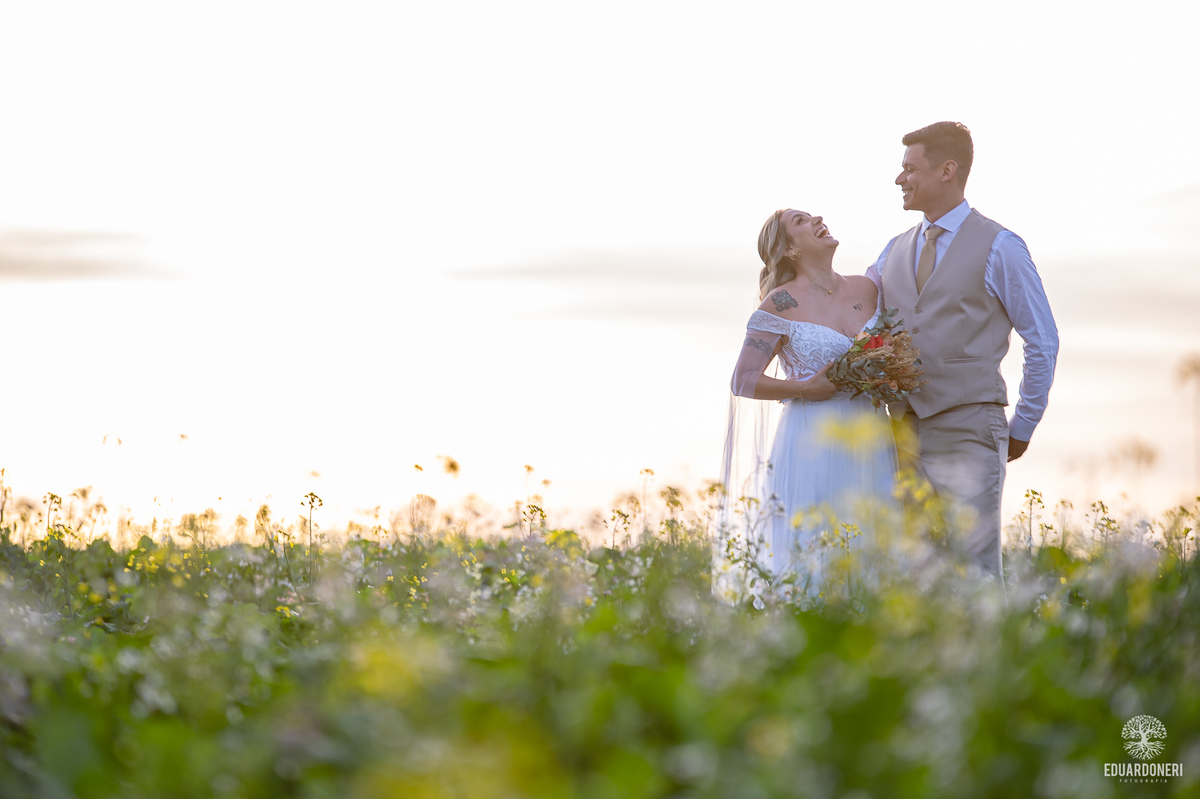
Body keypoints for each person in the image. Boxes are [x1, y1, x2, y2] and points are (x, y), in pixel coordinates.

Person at [866, 121, 1059, 589]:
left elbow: (1043, 340)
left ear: (947, 170)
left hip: (971, 427)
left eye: (909, 168)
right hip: (902, 434)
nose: (899, 179)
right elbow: (861, 323)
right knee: (912, 574)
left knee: (974, 574)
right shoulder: (892, 251)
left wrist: (1023, 427)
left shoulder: (1001, 246)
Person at [715, 209, 899, 602]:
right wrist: (804, 388)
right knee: (818, 555)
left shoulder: (868, 289)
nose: (817, 217)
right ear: (789, 249)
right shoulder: (780, 303)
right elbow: (742, 379)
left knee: (874, 548)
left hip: (871, 438)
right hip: (812, 442)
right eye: (801, 220)